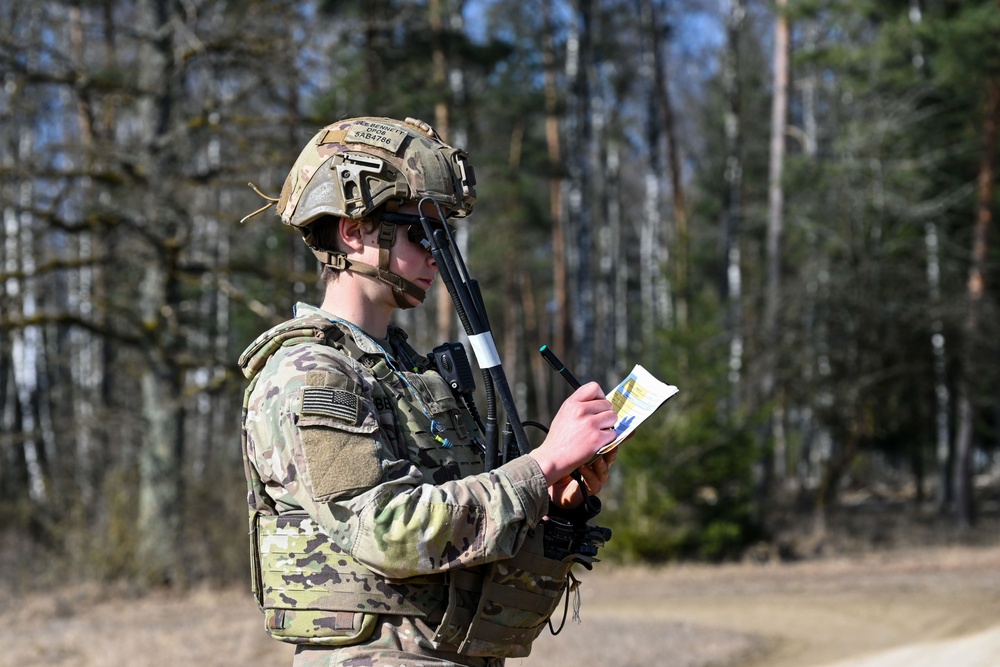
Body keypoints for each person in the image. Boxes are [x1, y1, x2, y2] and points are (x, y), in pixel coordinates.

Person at [239, 116, 618, 667]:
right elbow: (388, 530)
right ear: (353, 230)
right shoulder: (311, 375)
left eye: (445, 236)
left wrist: (552, 497)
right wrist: (542, 463)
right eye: (422, 233)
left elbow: (462, 527)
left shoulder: (408, 374)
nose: (437, 255)